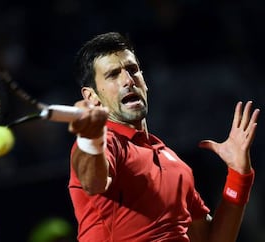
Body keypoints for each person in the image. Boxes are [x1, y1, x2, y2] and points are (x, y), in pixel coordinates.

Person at [67, 32, 260, 242]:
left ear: (145, 82)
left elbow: (212, 240)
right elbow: (93, 182)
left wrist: (238, 175)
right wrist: (90, 138)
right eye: (113, 74)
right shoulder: (104, 145)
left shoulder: (175, 163)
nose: (128, 80)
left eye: (132, 70)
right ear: (91, 97)